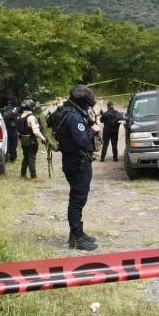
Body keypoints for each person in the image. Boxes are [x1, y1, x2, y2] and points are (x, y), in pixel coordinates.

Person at [57, 85, 101, 251]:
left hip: (74, 161)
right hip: (78, 162)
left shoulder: (69, 111)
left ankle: (77, 234)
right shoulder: (74, 117)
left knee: (77, 199)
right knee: (77, 200)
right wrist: (92, 129)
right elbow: (82, 141)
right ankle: (76, 238)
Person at [18, 99, 47, 178]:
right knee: (31, 158)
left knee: (26, 157)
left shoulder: (21, 116)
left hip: (23, 140)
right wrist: (43, 138)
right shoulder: (31, 117)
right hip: (31, 141)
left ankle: (23, 174)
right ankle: (33, 176)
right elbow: (36, 131)